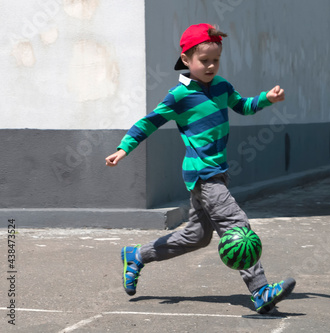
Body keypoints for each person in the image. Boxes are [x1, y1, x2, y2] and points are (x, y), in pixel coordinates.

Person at [105, 23, 295, 314]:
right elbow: (149, 122)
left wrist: (266, 99)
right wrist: (123, 148)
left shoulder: (221, 87)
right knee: (235, 224)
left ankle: (137, 255)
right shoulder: (179, 96)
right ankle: (259, 290)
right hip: (203, 175)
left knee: (198, 236)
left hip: (217, 171)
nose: (210, 66)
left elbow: (242, 106)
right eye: (203, 60)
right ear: (186, 60)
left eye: (215, 60)